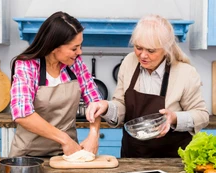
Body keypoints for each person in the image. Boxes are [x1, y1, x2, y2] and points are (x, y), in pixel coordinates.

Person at [86, 14, 209, 158]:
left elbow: (202, 115)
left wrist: (174, 117)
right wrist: (106, 106)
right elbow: (121, 104)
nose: (143, 55)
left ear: (166, 48)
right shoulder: (129, 62)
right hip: (133, 157)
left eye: (151, 51)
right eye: (138, 48)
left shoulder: (185, 72)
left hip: (171, 159)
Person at [9, 11, 102, 157]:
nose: (80, 52)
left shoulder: (75, 64)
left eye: (80, 46)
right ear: (54, 47)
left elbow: (95, 102)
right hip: (29, 156)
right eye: (74, 48)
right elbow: (22, 114)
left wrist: (94, 134)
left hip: (67, 154)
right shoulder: (27, 66)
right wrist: (65, 139)